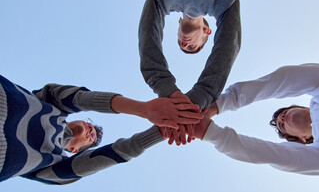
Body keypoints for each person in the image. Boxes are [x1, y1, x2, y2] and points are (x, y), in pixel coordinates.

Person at [0, 75, 203, 184]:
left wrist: (165, 129)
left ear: (75, 151)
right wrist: (144, 109)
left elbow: (120, 151)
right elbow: (82, 99)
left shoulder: (50, 167)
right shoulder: (50, 103)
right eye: (90, 125)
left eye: (92, 137)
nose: (90, 129)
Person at [192, 56, 319, 176]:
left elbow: (284, 80)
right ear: (301, 139)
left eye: (284, 113)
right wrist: (210, 133)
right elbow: (279, 156)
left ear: (302, 107)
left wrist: (219, 104)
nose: (281, 119)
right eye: (282, 125)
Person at [139, 0, 241, 110]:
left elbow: (147, 33)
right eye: (192, 46)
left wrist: (164, 86)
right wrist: (202, 94)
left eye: (180, 44)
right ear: (207, 31)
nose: (184, 44)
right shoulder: (222, 1)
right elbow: (229, 43)